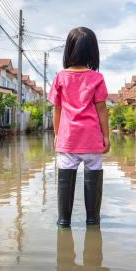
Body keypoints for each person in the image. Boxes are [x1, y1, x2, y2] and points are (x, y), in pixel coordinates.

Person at [47, 27, 109, 227]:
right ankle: (93, 221)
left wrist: (57, 135)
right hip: (92, 140)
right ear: (93, 51)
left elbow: (56, 110)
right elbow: (102, 111)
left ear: (68, 49)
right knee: (94, 179)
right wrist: (106, 137)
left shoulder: (60, 77)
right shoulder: (97, 78)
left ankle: (64, 221)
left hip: (68, 140)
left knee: (65, 180)